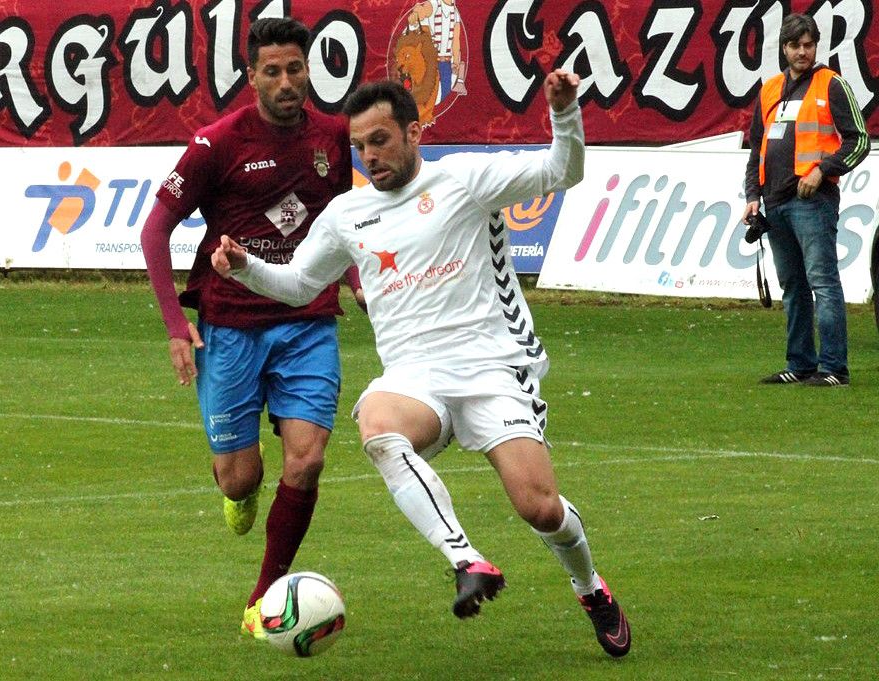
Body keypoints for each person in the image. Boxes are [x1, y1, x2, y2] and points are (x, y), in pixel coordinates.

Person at [212, 77, 632, 658]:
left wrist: (564, 113)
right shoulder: (346, 213)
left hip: (492, 367)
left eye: (381, 140)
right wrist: (245, 267)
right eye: (360, 146)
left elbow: (564, 171)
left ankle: (590, 588)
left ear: (414, 132)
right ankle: (467, 560)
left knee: (539, 507)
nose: (370, 156)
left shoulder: (465, 178)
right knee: (377, 427)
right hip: (414, 376)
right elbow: (301, 283)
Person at [140, 17, 361, 639]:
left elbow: (335, 224)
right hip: (231, 327)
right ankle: (239, 494)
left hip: (306, 322)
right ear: (251, 76)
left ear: (309, 68)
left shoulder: (335, 137)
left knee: (308, 460)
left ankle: (265, 595)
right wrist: (176, 327)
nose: (287, 81)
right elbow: (155, 230)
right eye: (273, 71)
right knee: (241, 476)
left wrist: (356, 282)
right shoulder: (217, 143)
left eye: (296, 68)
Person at [743, 12, 869, 387]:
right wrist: (752, 196)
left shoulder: (831, 84)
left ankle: (833, 369)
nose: (803, 51)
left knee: (822, 284)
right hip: (775, 203)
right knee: (794, 287)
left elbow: (858, 139)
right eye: (796, 45)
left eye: (809, 44)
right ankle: (800, 364)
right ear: (784, 48)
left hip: (813, 201)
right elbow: (756, 151)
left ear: (816, 46)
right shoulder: (769, 90)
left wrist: (822, 169)